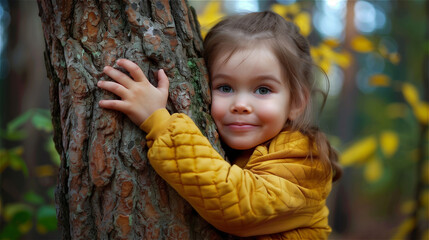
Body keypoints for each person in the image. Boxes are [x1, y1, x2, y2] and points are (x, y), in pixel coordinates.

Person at [97, 11, 342, 239]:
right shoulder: (233, 151)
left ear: (296, 102)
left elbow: (239, 204)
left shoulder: (306, 161)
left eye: (263, 89)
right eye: (225, 88)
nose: (241, 104)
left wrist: (159, 122)